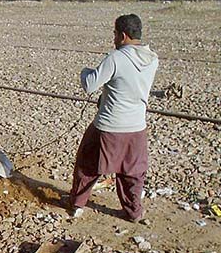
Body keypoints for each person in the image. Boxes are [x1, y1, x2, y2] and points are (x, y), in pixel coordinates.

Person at [68, 14, 159, 222]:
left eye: (115, 34)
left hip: (108, 126)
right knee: (132, 173)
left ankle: (77, 204)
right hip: (137, 128)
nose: (114, 39)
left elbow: (90, 85)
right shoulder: (152, 59)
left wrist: (85, 71)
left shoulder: (116, 58)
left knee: (87, 165)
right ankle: (133, 212)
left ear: (123, 35)